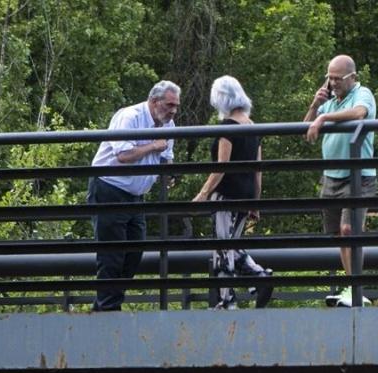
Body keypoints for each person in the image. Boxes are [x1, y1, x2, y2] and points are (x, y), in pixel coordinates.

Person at [89, 80, 179, 311]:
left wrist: (167, 174)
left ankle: (104, 307)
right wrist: (153, 146)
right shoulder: (129, 116)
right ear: (154, 101)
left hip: (136, 196)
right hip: (110, 189)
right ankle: (108, 312)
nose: (173, 111)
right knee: (112, 256)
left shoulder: (168, 126)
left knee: (134, 253)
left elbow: (165, 156)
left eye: (176, 106)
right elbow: (124, 155)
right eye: (169, 105)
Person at [303, 55, 377, 307]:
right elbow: (304, 129)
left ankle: (356, 289)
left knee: (349, 231)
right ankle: (350, 286)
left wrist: (323, 119)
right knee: (337, 234)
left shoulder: (362, 93)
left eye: (337, 78)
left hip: (358, 176)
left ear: (352, 77)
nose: (332, 83)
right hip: (331, 176)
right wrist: (315, 107)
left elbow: (359, 113)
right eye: (329, 78)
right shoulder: (330, 101)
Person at [192, 75, 272, 309]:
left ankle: (237, 294)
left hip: (226, 197)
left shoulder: (227, 128)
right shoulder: (253, 127)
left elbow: (221, 167)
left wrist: (203, 194)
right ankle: (247, 286)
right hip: (245, 196)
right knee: (227, 246)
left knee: (223, 247)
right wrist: (255, 202)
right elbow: (258, 170)